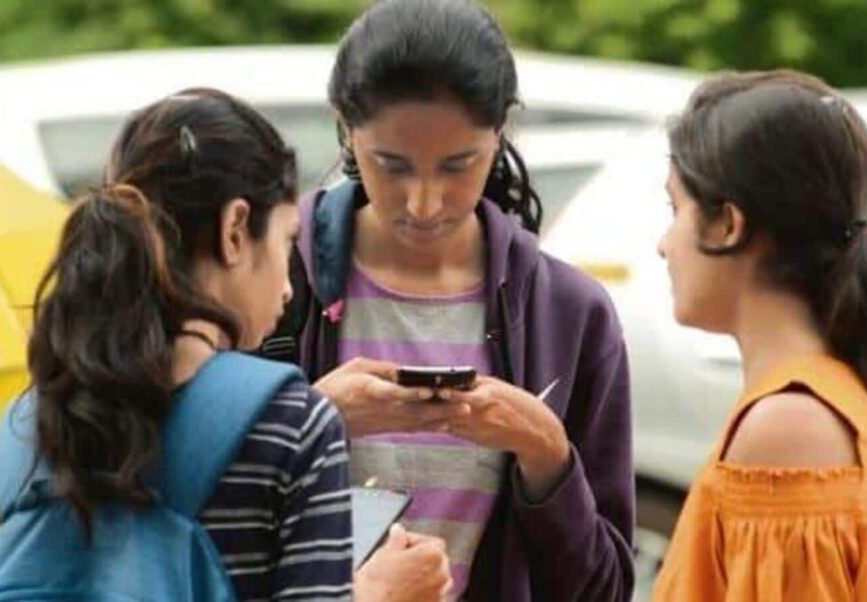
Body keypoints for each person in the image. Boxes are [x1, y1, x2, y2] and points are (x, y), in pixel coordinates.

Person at [0, 88, 451, 601]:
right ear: (235, 229)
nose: (285, 286)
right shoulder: (290, 423)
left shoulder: (31, 421)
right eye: (285, 240)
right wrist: (379, 594)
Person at [259, 1, 635, 599]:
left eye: (459, 166)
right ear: (345, 128)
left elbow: (603, 590)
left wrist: (545, 453)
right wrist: (310, 422)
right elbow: (196, 535)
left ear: (500, 133)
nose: (425, 203)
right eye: (392, 166)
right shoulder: (270, 282)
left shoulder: (568, 314)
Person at [651, 70, 867, 601]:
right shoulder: (846, 393)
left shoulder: (791, 426)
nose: (663, 244)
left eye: (674, 209)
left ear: (728, 224)